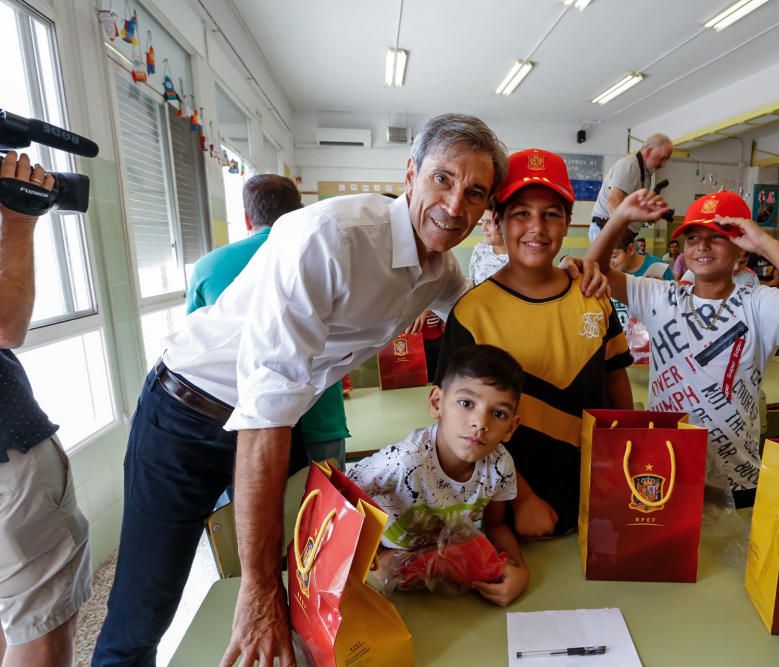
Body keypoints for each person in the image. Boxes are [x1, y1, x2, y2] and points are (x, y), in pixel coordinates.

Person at [93, 114, 511, 667]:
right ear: (410, 173)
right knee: (146, 606)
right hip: (187, 414)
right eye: (443, 179)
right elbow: (263, 413)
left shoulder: (438, 269)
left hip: (282, 423)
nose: (455, 205)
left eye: (475, 192)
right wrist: (258, 590)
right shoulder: (330, 238)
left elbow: (488, 317)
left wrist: (573, 274)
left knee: (304, 584)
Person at [588, 190, 779, 507]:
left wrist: (766, 244)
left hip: (738, 479)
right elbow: (595, 271)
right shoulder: (661, 296)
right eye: (693, 238)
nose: (701, 246)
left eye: (717, 237)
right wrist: (620, 219)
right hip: (665, 471)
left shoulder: (758, 304)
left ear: (741, 245)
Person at [436, 149, 634, 538]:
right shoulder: (473, 313)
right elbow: (456, 423)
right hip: (504, 510)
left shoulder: (591, 294)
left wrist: (624, 457)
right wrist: (520, 497)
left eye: (551, 214)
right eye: (522, 213)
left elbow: (615, 382)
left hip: (596, 499)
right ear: (498, 221)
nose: (536, 228)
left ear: (567, 224)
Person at [186, 174, 350, 468]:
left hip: (241, 419)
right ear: (300, 210)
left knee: (246, 510)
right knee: (325, 508)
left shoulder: (208, 267)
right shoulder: (325, 254)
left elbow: (195, 347)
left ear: (248, 219)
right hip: (318, 413)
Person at [348, 344, 528, 607]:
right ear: (436, 403)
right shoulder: (404, 460)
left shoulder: (500, 465)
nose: (480, 423)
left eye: (498, 413)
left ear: (511, 427)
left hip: (445, 560)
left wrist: (520, 572)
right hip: (390, 568)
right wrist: (371, 549)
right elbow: (341, 492)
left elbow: (496, 525)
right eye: (466, 403)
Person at [0, 152, 91, 666]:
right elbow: (5, 325)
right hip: (7, 457)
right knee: (41, 630)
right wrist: (17, 222)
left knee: (11, 613)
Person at [587, 133, 673, 242]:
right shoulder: (629, 166)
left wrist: (651, 213)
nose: (663, 164)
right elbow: (613, 202)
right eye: (662, 158)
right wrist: (620, 237)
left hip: (621, 231)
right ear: (649, 151)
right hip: (607, 229)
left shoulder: (645, 172)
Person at [468, 209, 508, 285]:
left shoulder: (520, 259)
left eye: (489, 222)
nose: (483, 228)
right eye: (483, 221)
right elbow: (472, 282)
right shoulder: (480, 248)